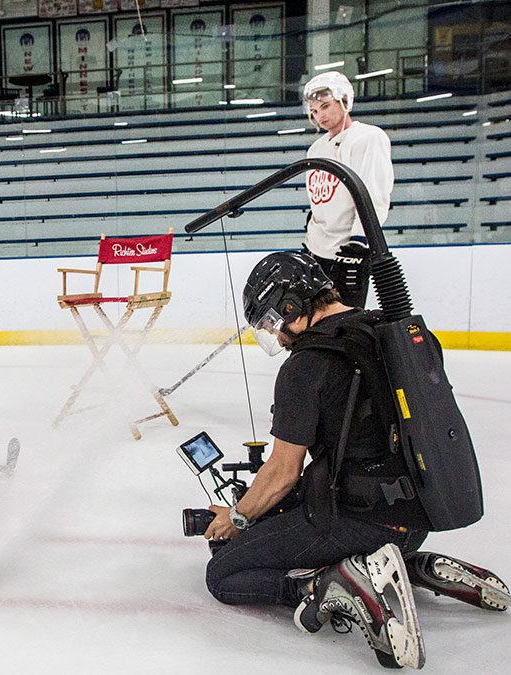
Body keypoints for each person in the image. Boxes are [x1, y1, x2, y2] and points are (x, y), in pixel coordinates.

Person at [202, 251, 508, 669]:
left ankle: (329, 584)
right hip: (417, 517)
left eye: (275, 321)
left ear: (292, 304)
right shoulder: (395, 334)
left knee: (223, 573)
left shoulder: (307, 364)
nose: (278, 336)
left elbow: (282, 474)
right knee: (276, 520)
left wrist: (238, 518)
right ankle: (408, 567)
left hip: (359, 522)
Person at [302, 71, 394, 308]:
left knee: (344, 328)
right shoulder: (316, 149)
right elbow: (320, 202)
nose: (319, 115)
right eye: (314, 111)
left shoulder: (367, 138)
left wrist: (359, 243)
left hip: (348, 253)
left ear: (345, 101)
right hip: (317, 252)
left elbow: (374, 195)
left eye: (325, 106)